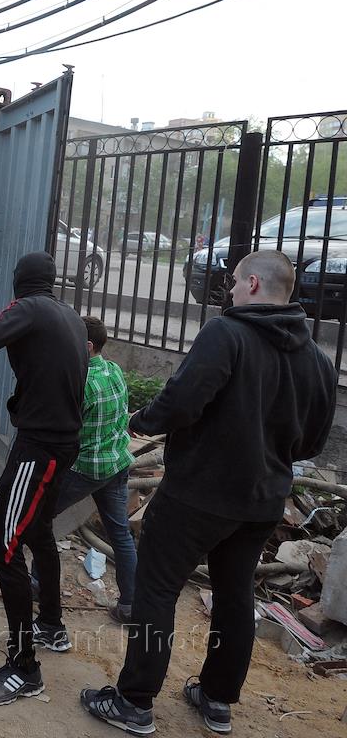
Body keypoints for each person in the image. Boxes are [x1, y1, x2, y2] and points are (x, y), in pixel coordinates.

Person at [81, 250, 337, 736]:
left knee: (157, 590)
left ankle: (134, 702)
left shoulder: (227, 334)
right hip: (262, 502)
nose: (231, 290)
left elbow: (182, 400)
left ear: (255, 286)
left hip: (197, 496)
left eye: (236, 282)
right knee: (235, 595)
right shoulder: (318, 362)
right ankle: (217, 699)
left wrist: (142, 422)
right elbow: (313, 442)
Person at [0, 251, 88, 705]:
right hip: (59, 443)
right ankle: (51, 624)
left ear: (20, 282)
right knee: (38, 531)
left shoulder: (28, 308)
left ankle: (24, 667)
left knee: (3, 547)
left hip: (40, 448)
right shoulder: (69, 315)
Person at [32, 315, 137, 624]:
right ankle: (131, 606)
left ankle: (38, 585)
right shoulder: (114, 370)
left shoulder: (83, 383)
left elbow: (64, 429)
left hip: (86, 468)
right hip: (116, 463)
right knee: (120, 534)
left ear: (88, 346)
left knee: (40, 519)